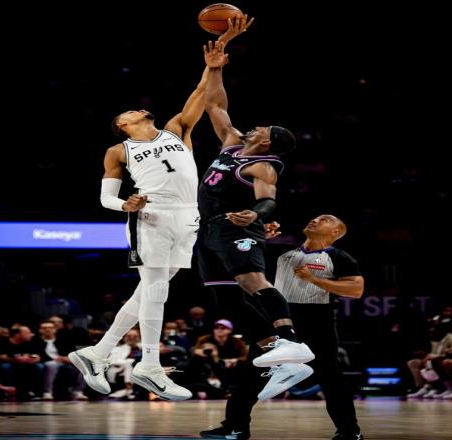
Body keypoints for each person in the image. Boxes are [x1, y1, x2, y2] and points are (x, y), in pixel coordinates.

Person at [68, 18, 253, 401]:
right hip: (151, 214)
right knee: (156, 289)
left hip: (188, 215)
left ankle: (97, 352)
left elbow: (201, 92)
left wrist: (216, 57)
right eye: (130, 111)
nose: (138, 108)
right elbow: (106, 198)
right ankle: (149, 366)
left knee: (150, 289)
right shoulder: (118, 151)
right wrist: (126, 203)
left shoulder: (177, 130)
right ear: (123, 125)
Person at [197, 40, 314, 399]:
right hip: (208, 230)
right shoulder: (231, 142)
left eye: (266, 128)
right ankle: (282, 360)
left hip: (237, 226)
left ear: (268, 142)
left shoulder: (262, 165)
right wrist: (215, 66)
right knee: (225, 299)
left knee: (252, 281)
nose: (259, 126)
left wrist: (256, 214)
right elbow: (215, 105)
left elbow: (267, 200)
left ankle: (291, 341)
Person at [200, 215, 365, 440]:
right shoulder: (282, 252)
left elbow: (355, 290)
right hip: (280, 323)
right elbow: (250, 265)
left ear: (336, 232)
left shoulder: (339, 257)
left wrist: (313, 279)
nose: (315, 219)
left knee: (331, 378)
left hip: (318, 323)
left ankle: (349, 432)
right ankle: (235, 427)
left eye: (324, 219)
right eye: (316, 217)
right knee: (253, 373)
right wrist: (260, 236)